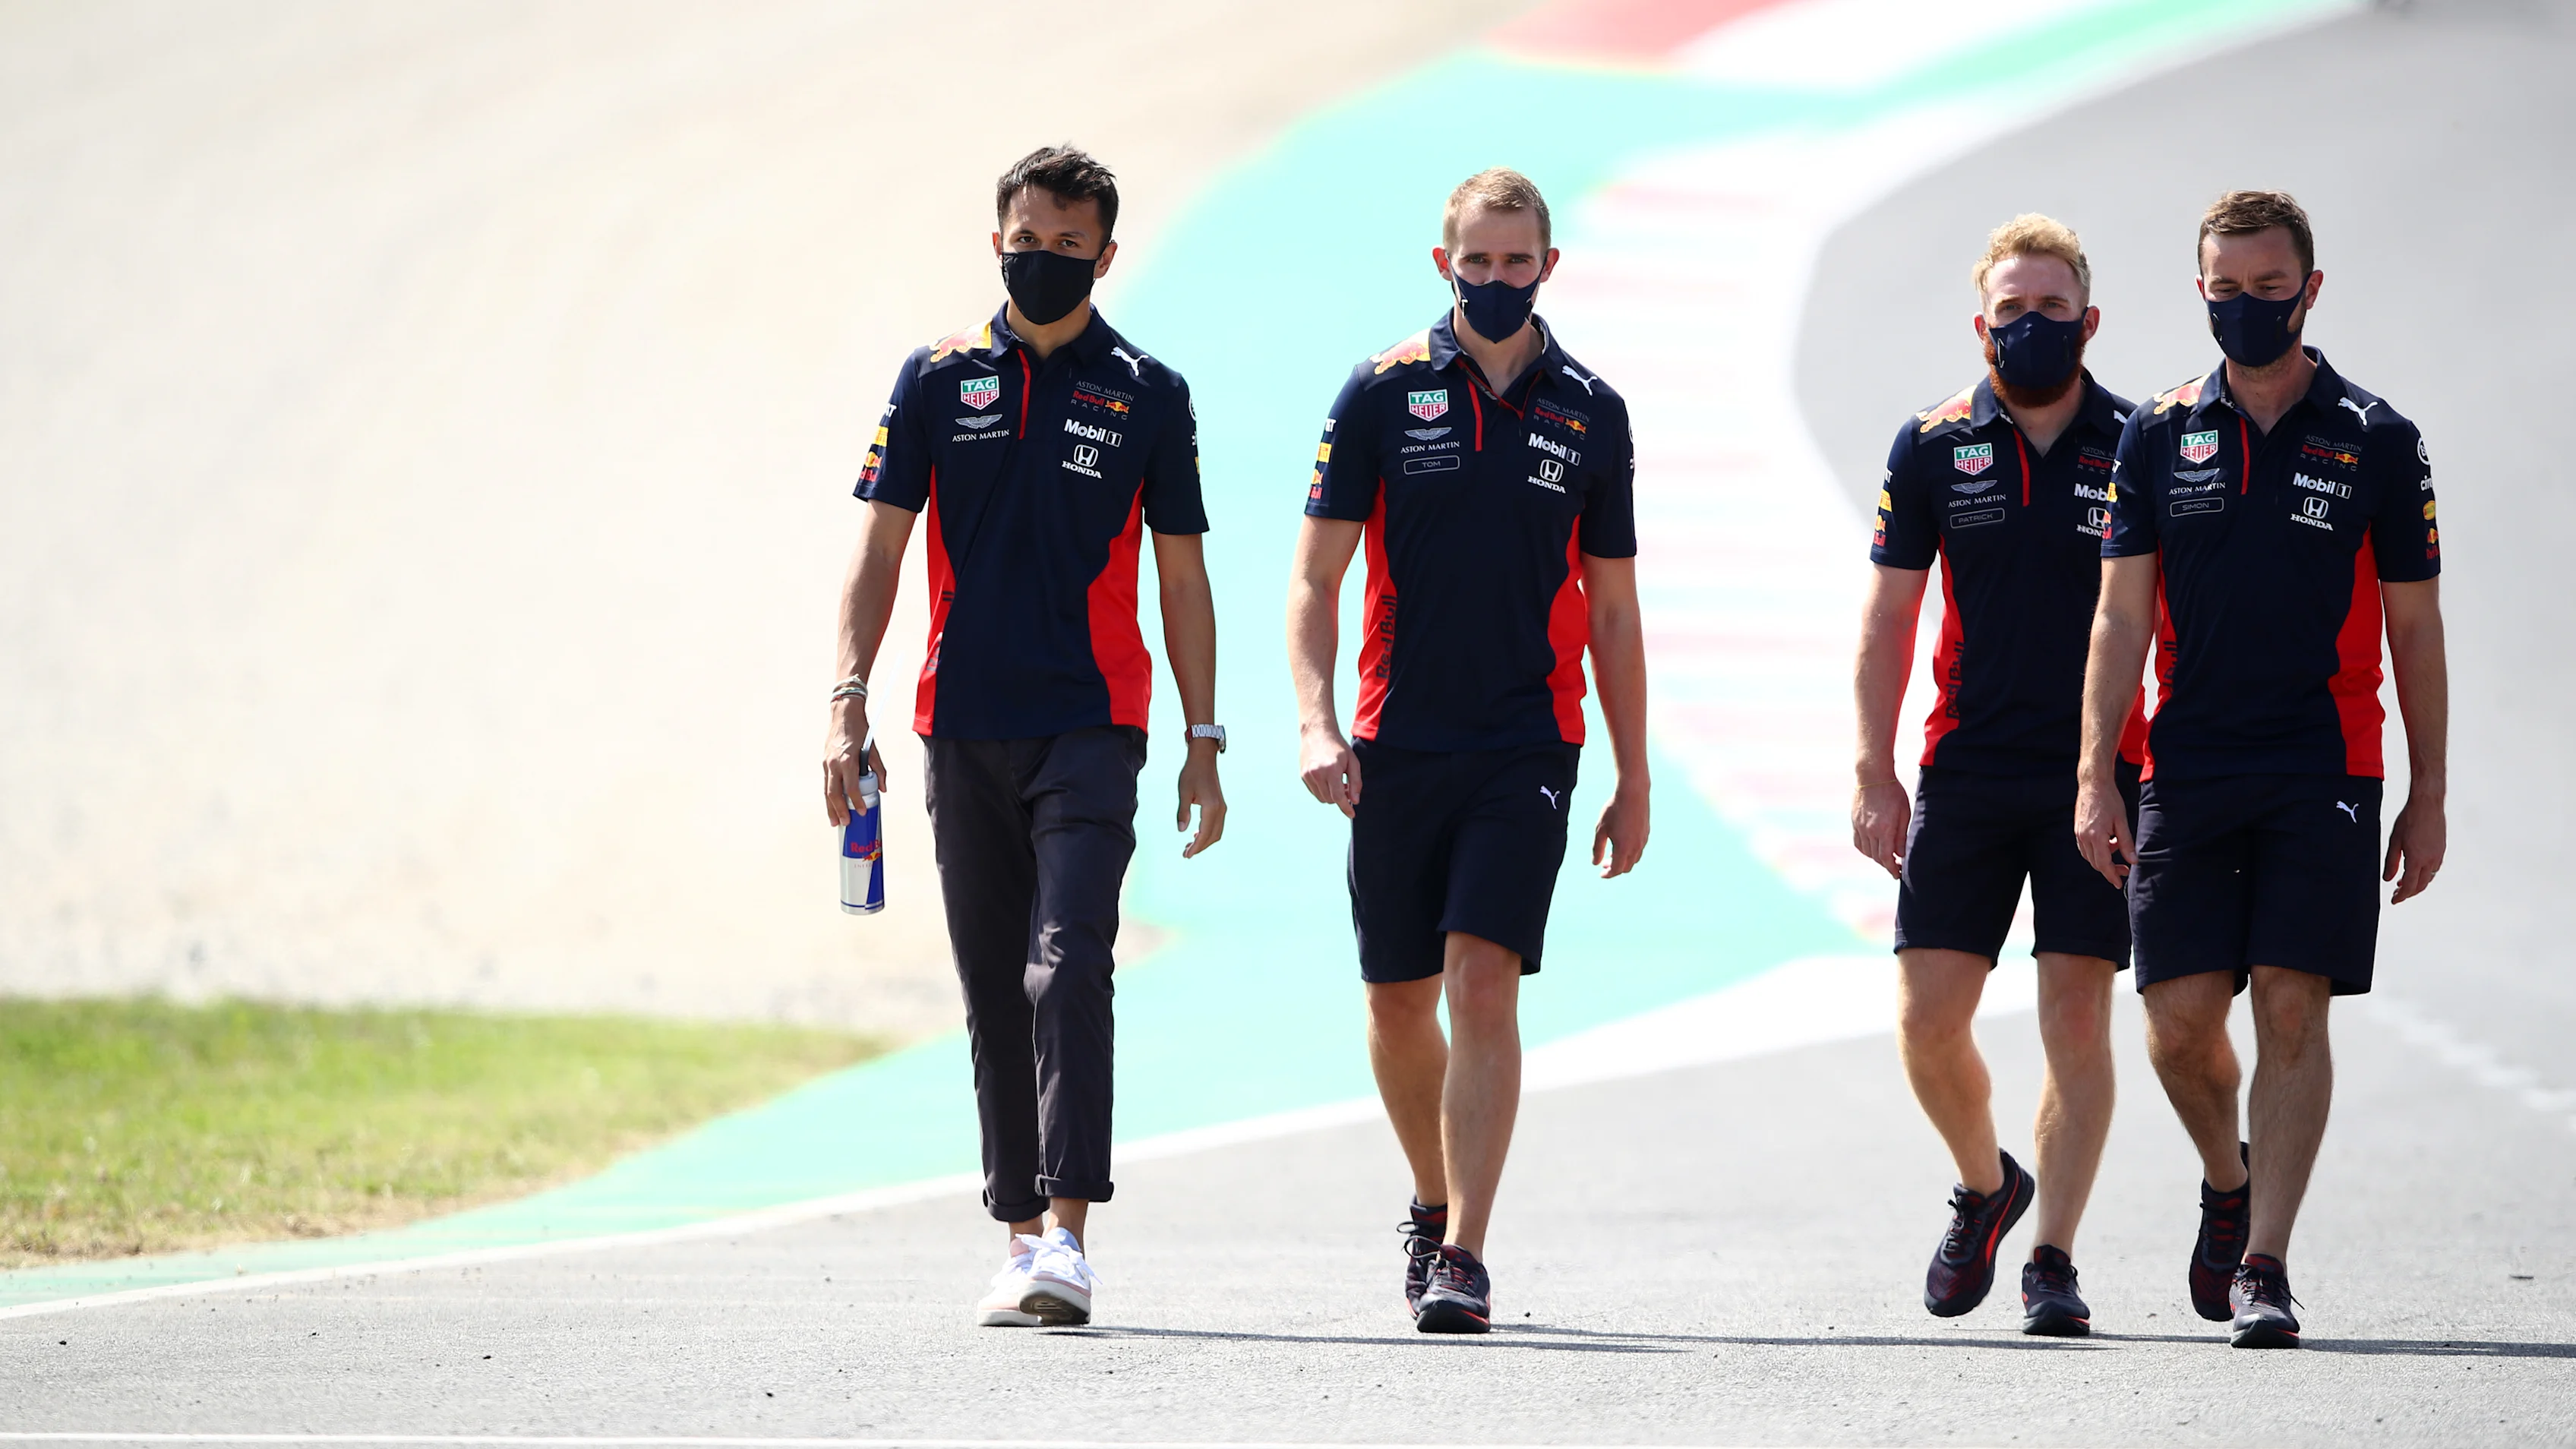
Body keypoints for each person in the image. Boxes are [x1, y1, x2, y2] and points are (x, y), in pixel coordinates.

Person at [822, 145, 1229, 1329]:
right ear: (994, 239)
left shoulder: (1151, 393)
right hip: (959, 724)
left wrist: (1203, 734)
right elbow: (881, 546)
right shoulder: (935, 379)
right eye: (1026, 239)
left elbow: (1184, 575)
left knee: (1069, 965)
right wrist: (847, 694)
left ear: (1107, 255)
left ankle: (1068, 1236)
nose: (1043, 260)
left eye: (1069, 246)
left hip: (1095, 724)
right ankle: (1018, 1237)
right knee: (997, 985)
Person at [2077, 190, 2445, 1350]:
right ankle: (2226, 1180)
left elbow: (2416, 628)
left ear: (2311, 291)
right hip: (2186, 762)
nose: (2247, 308)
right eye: (2225, 290)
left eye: (2269, 288)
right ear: (2202, 294)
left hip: (2325, 762)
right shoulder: (2156, 431)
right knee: (2179, 1025)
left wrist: (2427, 794)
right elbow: (2119, 619)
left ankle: (2266, 1267)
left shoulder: (2380, 438)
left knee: (2294, 1005)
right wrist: (2097, 773)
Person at [1286, 168, 1650, 1334]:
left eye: (1517, 261)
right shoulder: (1380, 393)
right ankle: (1430, 1197)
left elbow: (1611, 609)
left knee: (1481, 981)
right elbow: (1315, 578)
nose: (1496, 280)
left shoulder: (1592, 409)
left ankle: (1464, 1255)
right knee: (1399, 1001)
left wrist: (1633, 774)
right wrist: (1315, 718)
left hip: (1528, 742)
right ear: (1442, 264)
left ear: (1550, 266)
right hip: (1398, 740)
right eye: (1476, 262)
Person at [1852, 215, 2147, 1337]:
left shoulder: (2145, 440)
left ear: (2090, 319)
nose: (2032, 327)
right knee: (1928, 1019)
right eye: (2012, 312)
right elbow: (1888, 616)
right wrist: (1874, 769)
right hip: (1964, 767)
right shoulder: (1930, 445)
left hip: (2101, 774)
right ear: (1982, 325)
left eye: (2053, 309)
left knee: (2077, 1017)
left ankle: (2054, 1263)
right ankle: (1989, 1187)